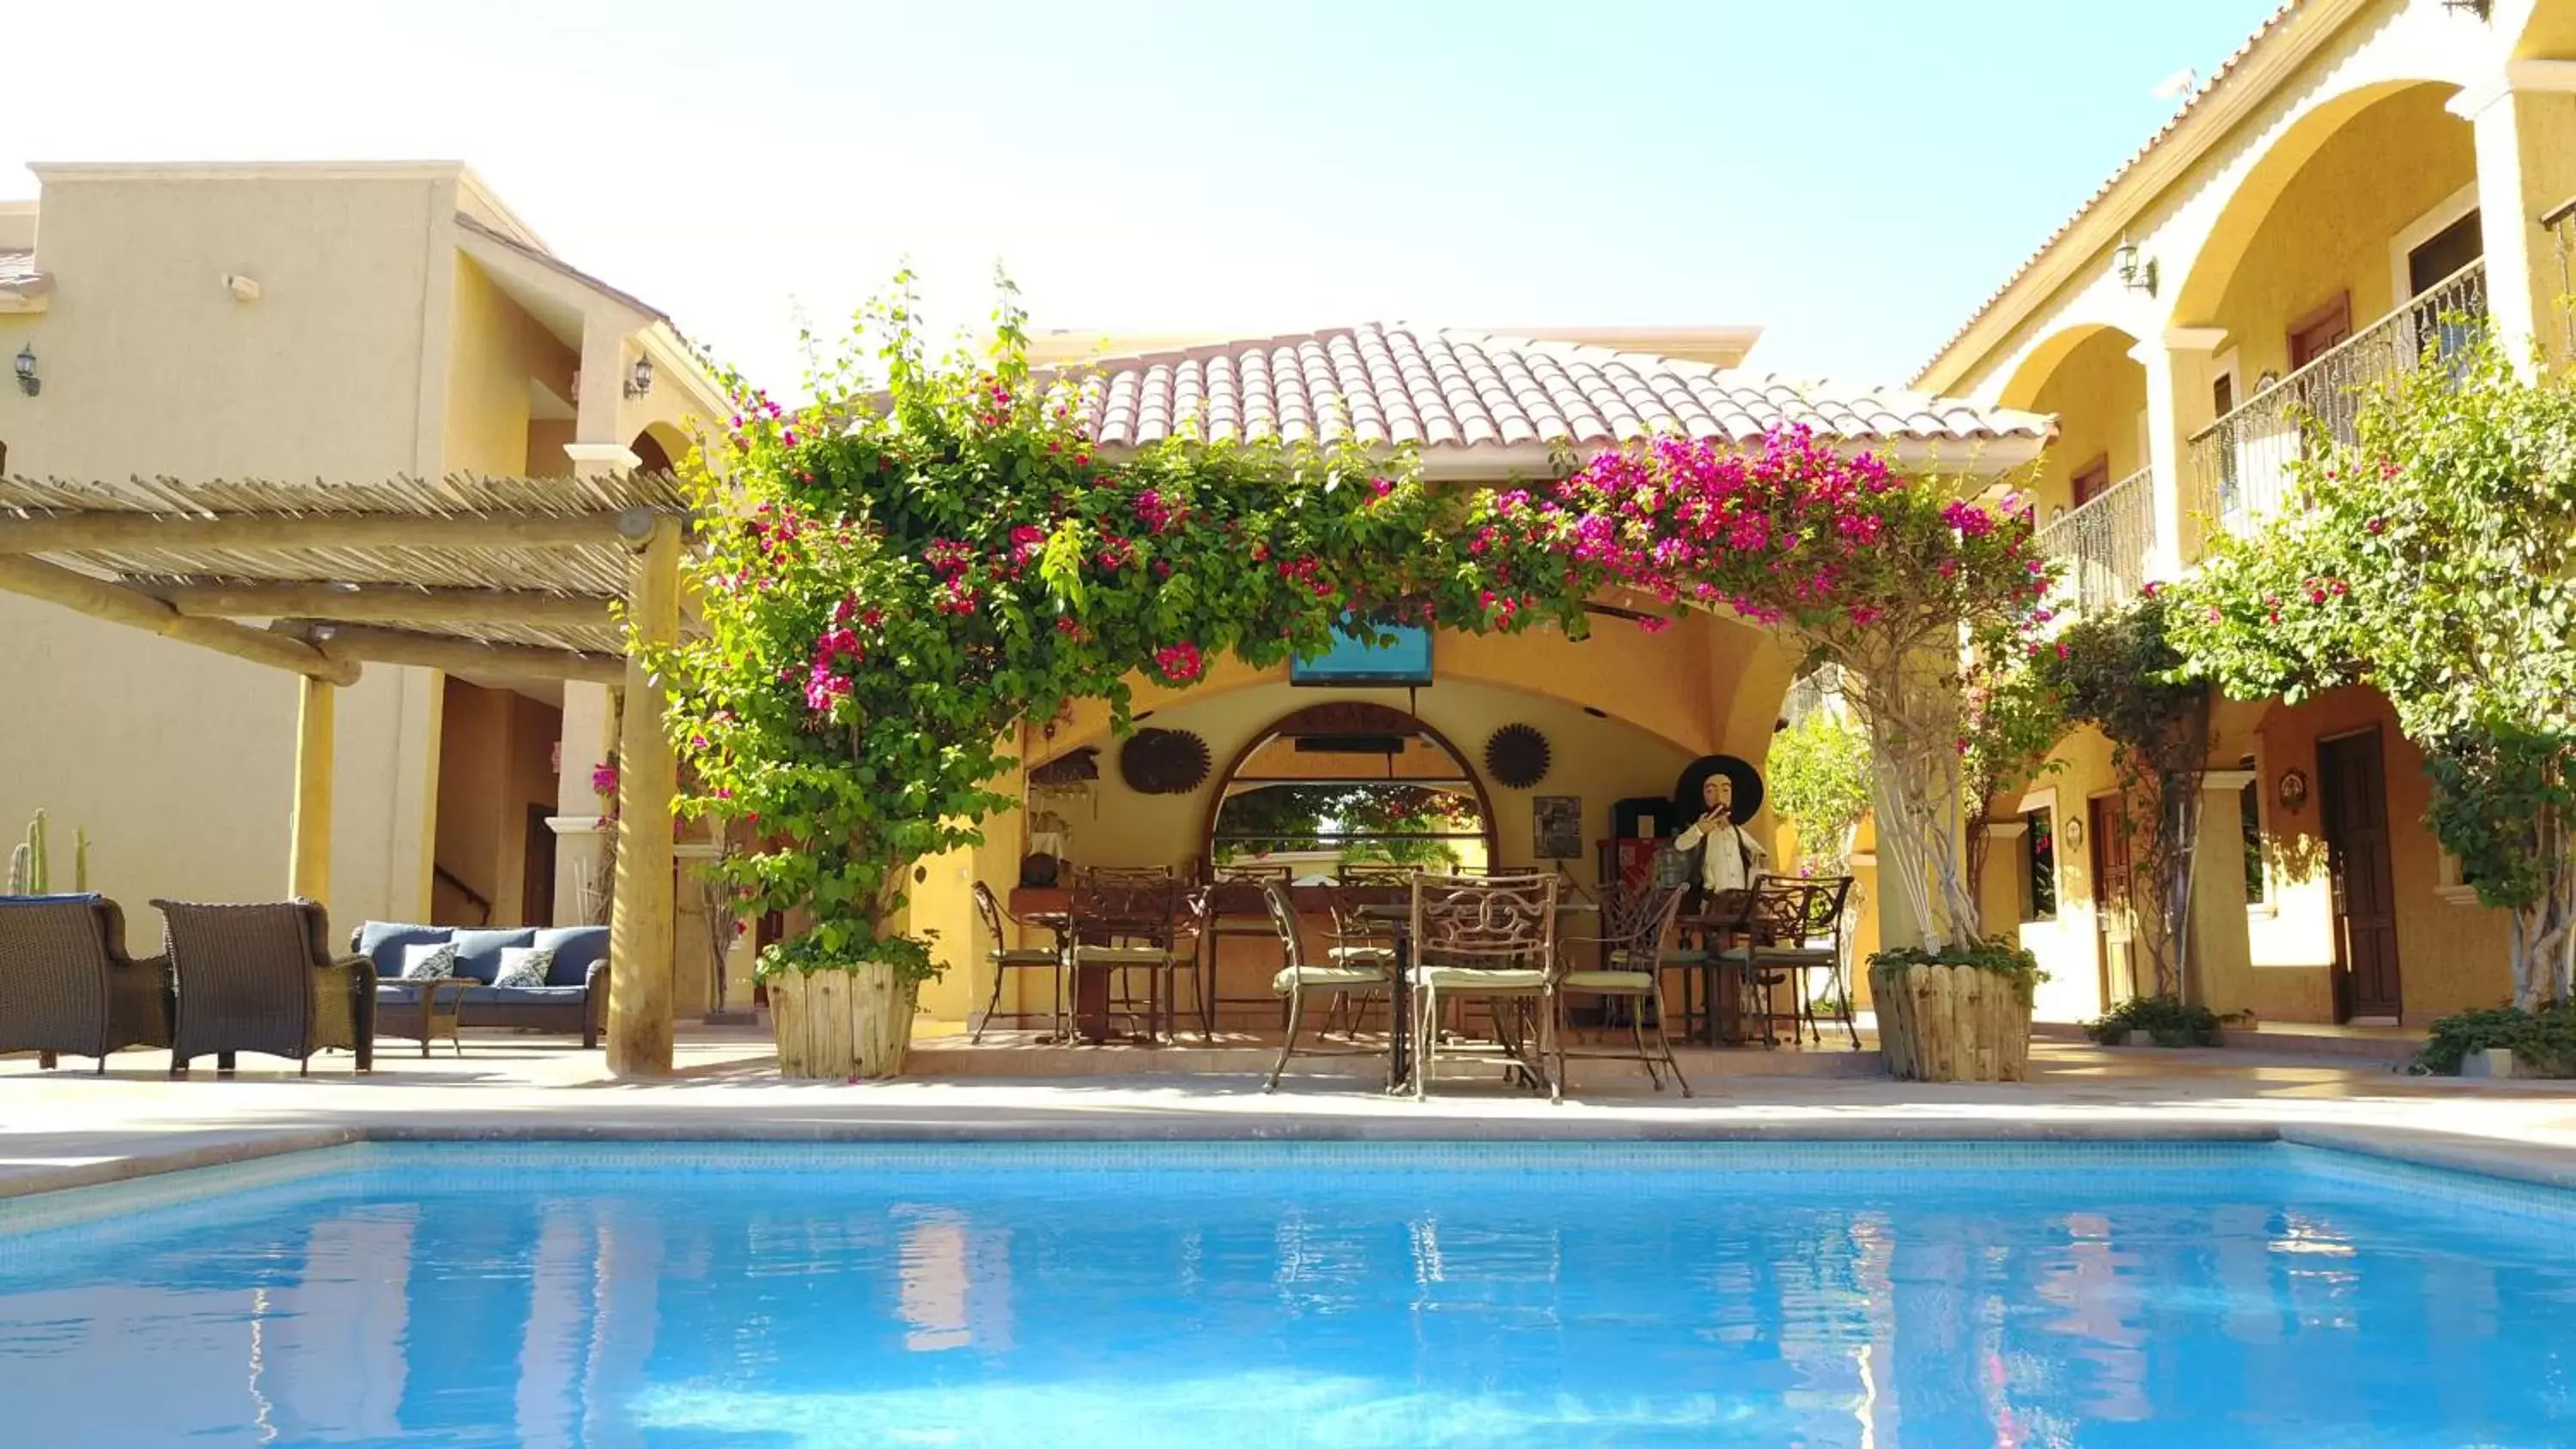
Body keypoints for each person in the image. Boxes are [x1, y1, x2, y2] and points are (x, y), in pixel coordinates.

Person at [1673, 770, 1768, 916]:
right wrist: (1699, 829)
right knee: (1718, 933)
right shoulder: (1701, 831)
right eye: (1711, 791)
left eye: (1725, 790)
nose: (1719, 797)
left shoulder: (1736, 832)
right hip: (1715, 899)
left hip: (1741, 898)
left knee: (1763, 926)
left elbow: (1760, 855)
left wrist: (1758, 863)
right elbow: (1680, 845)